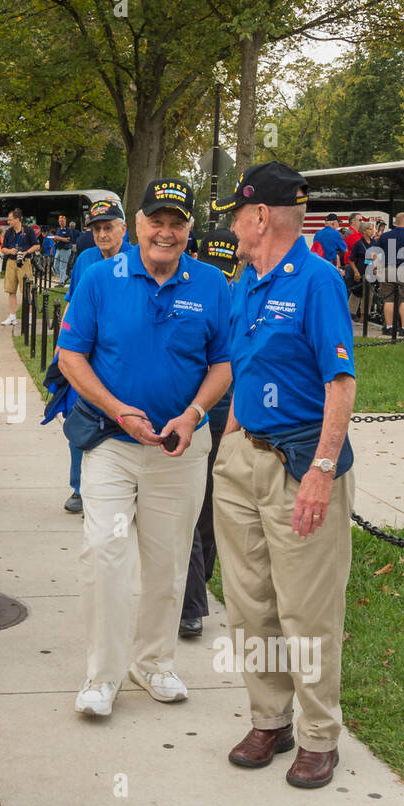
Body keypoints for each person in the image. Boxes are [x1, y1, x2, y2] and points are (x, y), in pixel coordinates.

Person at [58, 177, 232, 718]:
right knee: (104, 555)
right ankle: (101, 676)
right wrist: (118, 409)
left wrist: (194, 413)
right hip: (111, 443)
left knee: (169, 561)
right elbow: (70, 356)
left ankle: (154, 663)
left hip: (180, 449)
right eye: (156, 221)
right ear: (137, 226)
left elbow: (223, 363)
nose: (166, 231)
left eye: (177, 222)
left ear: (189, 231)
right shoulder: (99, 278)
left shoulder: (211, 284)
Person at [210, 160, 356, 789]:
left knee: (307, 610)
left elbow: (341, 383)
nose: (232, 227)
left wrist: (323, 469)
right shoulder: (245, 281)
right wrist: (231, 442)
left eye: (237, 216)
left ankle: (320, 735)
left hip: (302, 465)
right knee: (249, 605)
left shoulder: (317, 281)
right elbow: (243, 367)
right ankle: (271, 719)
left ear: (261, 215)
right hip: (244, 461)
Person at [178, 227, 241, 638]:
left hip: (226, 411)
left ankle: (196, 592)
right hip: (195, 410)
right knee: (195, 507)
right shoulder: (199, 290)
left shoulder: (243, 295)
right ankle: (192, 599)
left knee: (208, 507)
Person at [59, 198, 132, 513]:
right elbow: (72, 305)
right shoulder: (86, 259)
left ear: (123, 229)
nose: (102, 234)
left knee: (121, 418)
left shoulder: (138, 260)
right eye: (97, 228)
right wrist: (63, 349)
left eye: (108, 227)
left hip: (122, 358)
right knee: (81, 419)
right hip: (86, 356)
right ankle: (78, 488)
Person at [0, 208, 38, 325]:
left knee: (27, 290)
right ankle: (12, 317)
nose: (8, 222)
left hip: (24, 262)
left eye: (10, 220)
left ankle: (30, 316)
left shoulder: (28, 230)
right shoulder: (8, 232)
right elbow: (3, 248)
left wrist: (26, 252)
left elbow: (37, 246)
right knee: (11, 290)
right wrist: (9, 251)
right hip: (11, 262)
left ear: (17, 219)